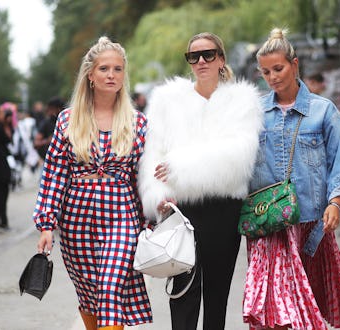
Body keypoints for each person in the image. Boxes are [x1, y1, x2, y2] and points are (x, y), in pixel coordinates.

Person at [243, 28, 340, 330]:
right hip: (269, 225)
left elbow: (338, 164)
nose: (272, 76)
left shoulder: (324, 112)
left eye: (278, 68)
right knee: (275, 308)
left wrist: (336, 203)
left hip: (311, 223)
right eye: (265, 72)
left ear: (295, 64)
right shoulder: (254, 112)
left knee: (303, 303)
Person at [138, 32, 262, 330]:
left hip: (225, 208)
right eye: (194, 56)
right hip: (181, 211)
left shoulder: (243, 101)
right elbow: (153, 157)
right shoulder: (166, 101)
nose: (201, 61)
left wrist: (179, 166)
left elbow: (237, 158)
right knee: (182, 295)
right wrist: (160, 195)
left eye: (208, 54)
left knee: (217, 297)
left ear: (221, 59)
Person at [33, 36, 152, 330]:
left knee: (111, 290)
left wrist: (154, 213)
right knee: (90, 295)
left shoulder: (138, 122)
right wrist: (46, 224)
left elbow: (144, 175)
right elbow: (54, 174)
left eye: (117, 69)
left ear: (124, 75)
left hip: (122, 214)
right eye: (104, 69)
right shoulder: (67, 120)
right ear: (90, 75)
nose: (111, 75)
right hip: (76, 217)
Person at [33, 96, 65, 160]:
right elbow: (36, 143)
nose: (50, 112)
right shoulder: (46, 123)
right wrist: (48, 141)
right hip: (50, 160)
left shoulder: (66, 121)